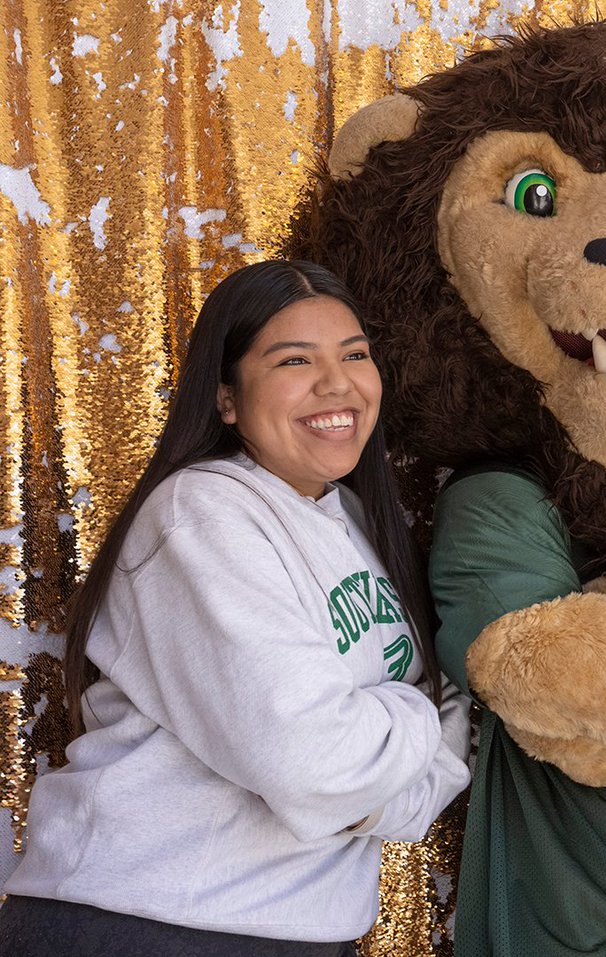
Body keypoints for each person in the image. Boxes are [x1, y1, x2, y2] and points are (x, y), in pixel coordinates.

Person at [0, 261, 471, 957]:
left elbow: (390, 754)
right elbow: (317, 762)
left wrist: (361, 785)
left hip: (300, 929)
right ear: (226, 397)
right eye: (294, 360)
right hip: (146, 922)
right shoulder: (200, 513)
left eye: (354, 355)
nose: (337, 383)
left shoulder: (357, 521)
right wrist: (412, 726)